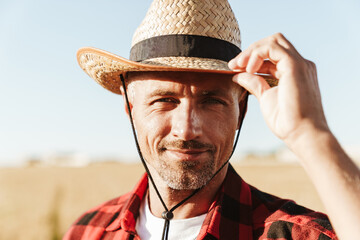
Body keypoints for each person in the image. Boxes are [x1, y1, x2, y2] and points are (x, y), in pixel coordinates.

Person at [64, 0, 360, 239]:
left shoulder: (292, 235)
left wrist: (308, 134)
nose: (186, 129)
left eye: (212, 102)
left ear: (240, 112)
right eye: (164, 100)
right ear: (132, 110)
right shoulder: (87, 230)